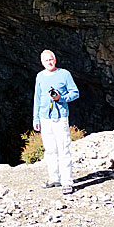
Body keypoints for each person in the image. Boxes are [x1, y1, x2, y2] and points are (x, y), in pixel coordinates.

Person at [33, 49, 79, 195]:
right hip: (45, 117)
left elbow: (75, 93)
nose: (49, 62)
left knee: (63, 149)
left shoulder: (64, 74)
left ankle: (67, 182)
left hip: (60, 117)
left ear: (55, 60)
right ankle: (54, 178)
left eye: (51, 59)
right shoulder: (40, 76)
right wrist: (36, 118)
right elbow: (37, 98)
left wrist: (61, 98)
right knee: (50, 149)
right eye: (46, 60)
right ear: (42, 62)